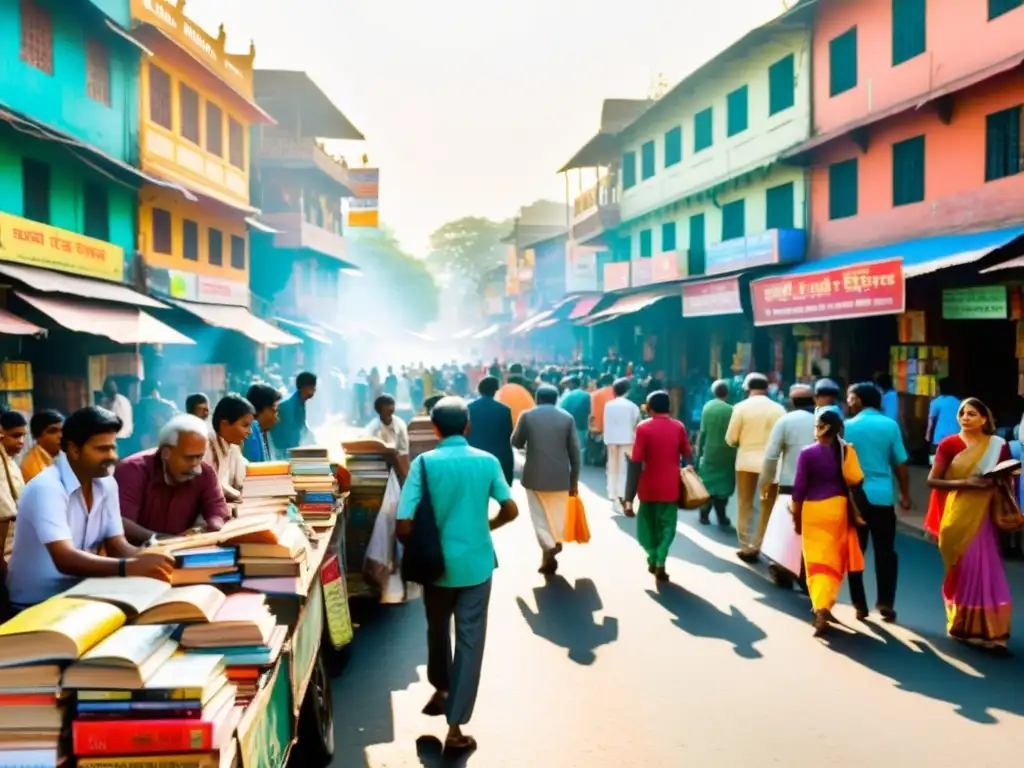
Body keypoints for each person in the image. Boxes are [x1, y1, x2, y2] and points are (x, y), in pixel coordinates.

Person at [395, 397, 518, 756]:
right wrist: (486, 527)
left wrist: (419, 547)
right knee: (469, 641)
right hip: (477, 566)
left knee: (437, 629)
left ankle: (441, 685)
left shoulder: (424, 464)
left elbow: (404, 524)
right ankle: (455, 726)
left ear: (434, 429)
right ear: (467, 426)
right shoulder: (487, 461)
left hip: (436, 567)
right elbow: (510, 509)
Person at [5, 407, 174, 610]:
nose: (112, 456)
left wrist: (150, 556)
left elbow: (117, 545)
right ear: (75, 450)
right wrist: (130, 566)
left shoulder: (106, 484)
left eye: (113, 447)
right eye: (102, 449)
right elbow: (65, 559)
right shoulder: (46, 487)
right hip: (36, 605)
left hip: (83, 593)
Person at [925, 397, 1014, 652]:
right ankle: (965, 626)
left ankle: (994, 632)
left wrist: (1000, 480)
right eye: (963, 413)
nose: (965, 417)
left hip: (986, 514)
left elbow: (1006, 477)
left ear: (984, 419)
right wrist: (968, 484)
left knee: (990, 570)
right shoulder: (950, 444)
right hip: (957, 516)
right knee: (966, 570)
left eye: (972, 413)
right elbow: (933, 481)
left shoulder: (998, 446)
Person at [791, 407, 867, 636]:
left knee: (815, 562)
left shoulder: (807, 453)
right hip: (838, 509)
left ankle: (820, 607)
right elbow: (857, 479)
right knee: (833, 561)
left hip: (812, 511)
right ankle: (826, 603)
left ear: (820, 427)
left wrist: (796, 517)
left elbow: (799, 489)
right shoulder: (846, 450)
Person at [844, 383, 911, 622]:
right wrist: (905, 493)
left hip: (855, 498)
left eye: (851, 398)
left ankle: (859, 603)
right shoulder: (889, 425)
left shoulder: (846, 427)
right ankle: (885, 601)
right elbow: (900, 464)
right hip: (883, 496)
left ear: (860, 400)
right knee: (885, 551)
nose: (848, 402)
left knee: (855, 550)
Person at [116, 414, 230, 542]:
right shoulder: (132, 470)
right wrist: (165, 540)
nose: (195, 464)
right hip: (136, 554)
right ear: (166, 453)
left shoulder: (205, 473)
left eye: (199, 457)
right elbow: (122, 524)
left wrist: (212, 526)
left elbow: (217, 509)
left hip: (181, 549)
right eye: (189, 457)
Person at [622, 391, 693, 582]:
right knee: (667, 525)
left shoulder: (643, 428)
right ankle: (661, 558)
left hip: (648, 486)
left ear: (650, 408)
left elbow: (636, 460)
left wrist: (629, 497)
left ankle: (653, 555)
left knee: (647, 527)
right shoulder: (678, 427)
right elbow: (687, 452)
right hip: (670, 487)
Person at [512, 384, 580, 574]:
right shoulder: (567, 418)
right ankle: (553, 546)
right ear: (556, 398)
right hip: (560, 477)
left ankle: (549, 547)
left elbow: (516, 442)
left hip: (534, 476)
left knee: (539, 516)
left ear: (537, 398)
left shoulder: (527, 416)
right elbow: (575, 453)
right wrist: (574, 481)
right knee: (557, 517)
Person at [758, 384, 816, 587]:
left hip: (789, 483)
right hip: (817, 486)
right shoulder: (822, 420)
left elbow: (771, 455)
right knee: (810, 531)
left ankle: (785, 569)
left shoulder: (785, 421)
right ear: (814, 401)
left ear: (792, 402)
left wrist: (765, 482)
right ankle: (805, 572)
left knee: (788, 530)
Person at [726, 373, 786, 562]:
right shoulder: (779, 409)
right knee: (767, 504)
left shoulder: (740, 408)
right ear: (767, 388)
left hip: (745, 462)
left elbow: (731, 438)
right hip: (772, 464)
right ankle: (758, 544)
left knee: (745, 503)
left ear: (747, 388)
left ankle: (745, 546)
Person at [696, 379, 736, 527]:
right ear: (727, 393)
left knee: (707, 484)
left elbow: (702, 433)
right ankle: (721, 516)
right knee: (723, 487)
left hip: (709, 452)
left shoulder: (707, 408)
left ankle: (704, 514)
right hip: (727, 454)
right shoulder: (731, 410)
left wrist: (698, 452)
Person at [206, 394, 255, 504]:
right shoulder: (205, 447)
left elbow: (246, 472)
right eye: (245, 425)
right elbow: (208, 485)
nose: (250, 431)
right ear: (225, 424)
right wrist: (236, 495)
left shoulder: (233, 447)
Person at [466, 376, 514, 485]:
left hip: (475, 455)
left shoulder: (469, 408)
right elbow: (508, 435)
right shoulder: (504, 410)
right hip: (498, 456)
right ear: (495, 390)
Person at [603, 378, 641, 513]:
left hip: (611, 440)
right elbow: (637, 423)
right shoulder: (632, 406)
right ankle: (623, 496)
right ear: (627, 390)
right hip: (628, 440)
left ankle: (613, 494)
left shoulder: (608, 405)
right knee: (625, 469)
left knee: (612, 468)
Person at [0, 411, 26, 558]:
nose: (21, 441)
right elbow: (4, 516)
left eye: (23, 436)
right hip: (6, 551)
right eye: (16, 436)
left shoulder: (10, 461)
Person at [366, 394, 411, 479]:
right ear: (379, 410)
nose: (390, 408)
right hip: (378, 460)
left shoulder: (400, 424)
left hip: (398, 458)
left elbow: (404, 450)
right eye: (386, 406)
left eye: (391, 405)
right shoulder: (372, 427)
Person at [274, 371, 316, 455]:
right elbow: (288, 434)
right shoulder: (288, 405)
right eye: (313, 386)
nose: (315, 389)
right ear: (305, 387)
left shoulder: (300, 402)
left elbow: (303, 427)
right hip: (282, 451)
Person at [21, 410, 64, 485]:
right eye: (53, 431)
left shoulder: (56, 458)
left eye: (62, 431)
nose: (61, 436)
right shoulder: (34, 466)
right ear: (38, 436)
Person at [242, 383, 282, 462]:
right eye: (274, 411)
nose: (277, 419)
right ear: (260, 409)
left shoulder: (260, 432)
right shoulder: (251, 432)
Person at [926, 378, 961, 460]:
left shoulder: (936, 402)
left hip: (940, 436)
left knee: (935, 456)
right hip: (956, 434)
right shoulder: (958, 402)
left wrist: (927, 434)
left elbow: (931, 419)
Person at [557, 376, 591, 461]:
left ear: (572, 384)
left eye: (569, 383)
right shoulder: (586, 395)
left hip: (567, 423)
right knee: (580, 446)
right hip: (581, 424)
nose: (568, 385)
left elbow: (561, 408)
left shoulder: (567, 395)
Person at [99, 376, 134, 455]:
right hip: (125, 436)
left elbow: (106, 421)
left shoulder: (119, 402)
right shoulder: (124, 400)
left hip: (119, 437)